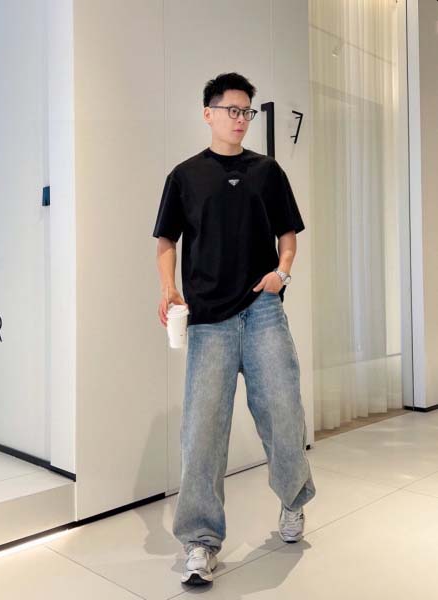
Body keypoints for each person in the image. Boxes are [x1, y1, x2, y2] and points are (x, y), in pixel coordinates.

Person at [152, 72, 316, 586]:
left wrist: (281, 273)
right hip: (209, 321)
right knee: (202, 431)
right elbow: (166, 241)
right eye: (231, 110)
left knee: (283, 411)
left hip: (262, 310)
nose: (240, 120)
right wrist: (169, 288)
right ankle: (200, 541)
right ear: (209, 114)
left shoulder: (268, 172)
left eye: (246, 112)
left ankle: (293, 500)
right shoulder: (185, 176)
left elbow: (288, 235)